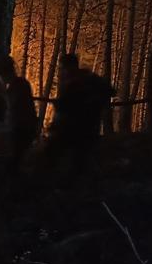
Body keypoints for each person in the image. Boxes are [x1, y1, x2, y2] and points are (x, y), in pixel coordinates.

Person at [45, 53, 114, 182]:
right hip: (77, 128)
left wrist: (93, 102)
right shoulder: (79, 81)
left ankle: (72, 186)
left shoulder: (84, 81)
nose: (62, 71)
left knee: (73, 159)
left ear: (71, 66)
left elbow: (109, 91)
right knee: (74, 159)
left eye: (63, 68)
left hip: (80, 128)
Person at [0, 55, 38, 170]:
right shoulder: (20, 84)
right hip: (22, 131)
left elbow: (12, 109)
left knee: (13, 164)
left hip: (19, 133)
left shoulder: (17, 86)